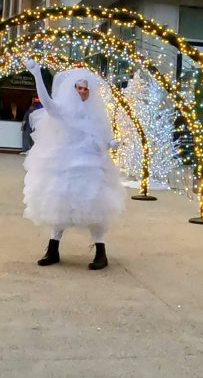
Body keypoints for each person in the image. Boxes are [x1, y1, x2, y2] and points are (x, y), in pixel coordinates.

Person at [23, 60, 125, 270]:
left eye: (86, 89)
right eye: (80, 88)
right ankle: (53, 249)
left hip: (91, 163)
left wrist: (110, 143)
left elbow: (102, 138)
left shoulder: (96, 114)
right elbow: (47, 103)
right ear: (73, 89)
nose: (83, 92)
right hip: (65, 162)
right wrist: (37, 75)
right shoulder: (63, 110)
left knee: (95, 204)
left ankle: (100, 251)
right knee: (61, 202)